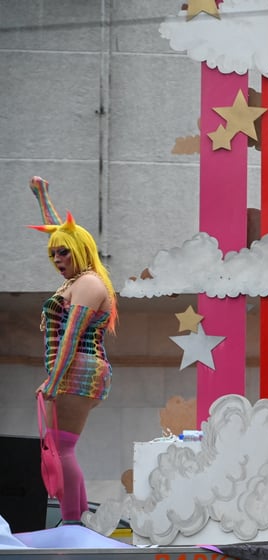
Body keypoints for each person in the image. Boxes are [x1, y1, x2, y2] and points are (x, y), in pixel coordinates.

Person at [27, 176, 118, 525]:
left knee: (62, 447)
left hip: (78, 369)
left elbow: (70, 336)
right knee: (61, 446)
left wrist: (54, 380)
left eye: (63, 252)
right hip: (76, 369)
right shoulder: (82, 282)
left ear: (80, 250)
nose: (57, 257)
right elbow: (61, 230)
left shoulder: (89, 285)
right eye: (53, 254)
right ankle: (74, 520)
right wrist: (43, 195)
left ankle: (72, 523)